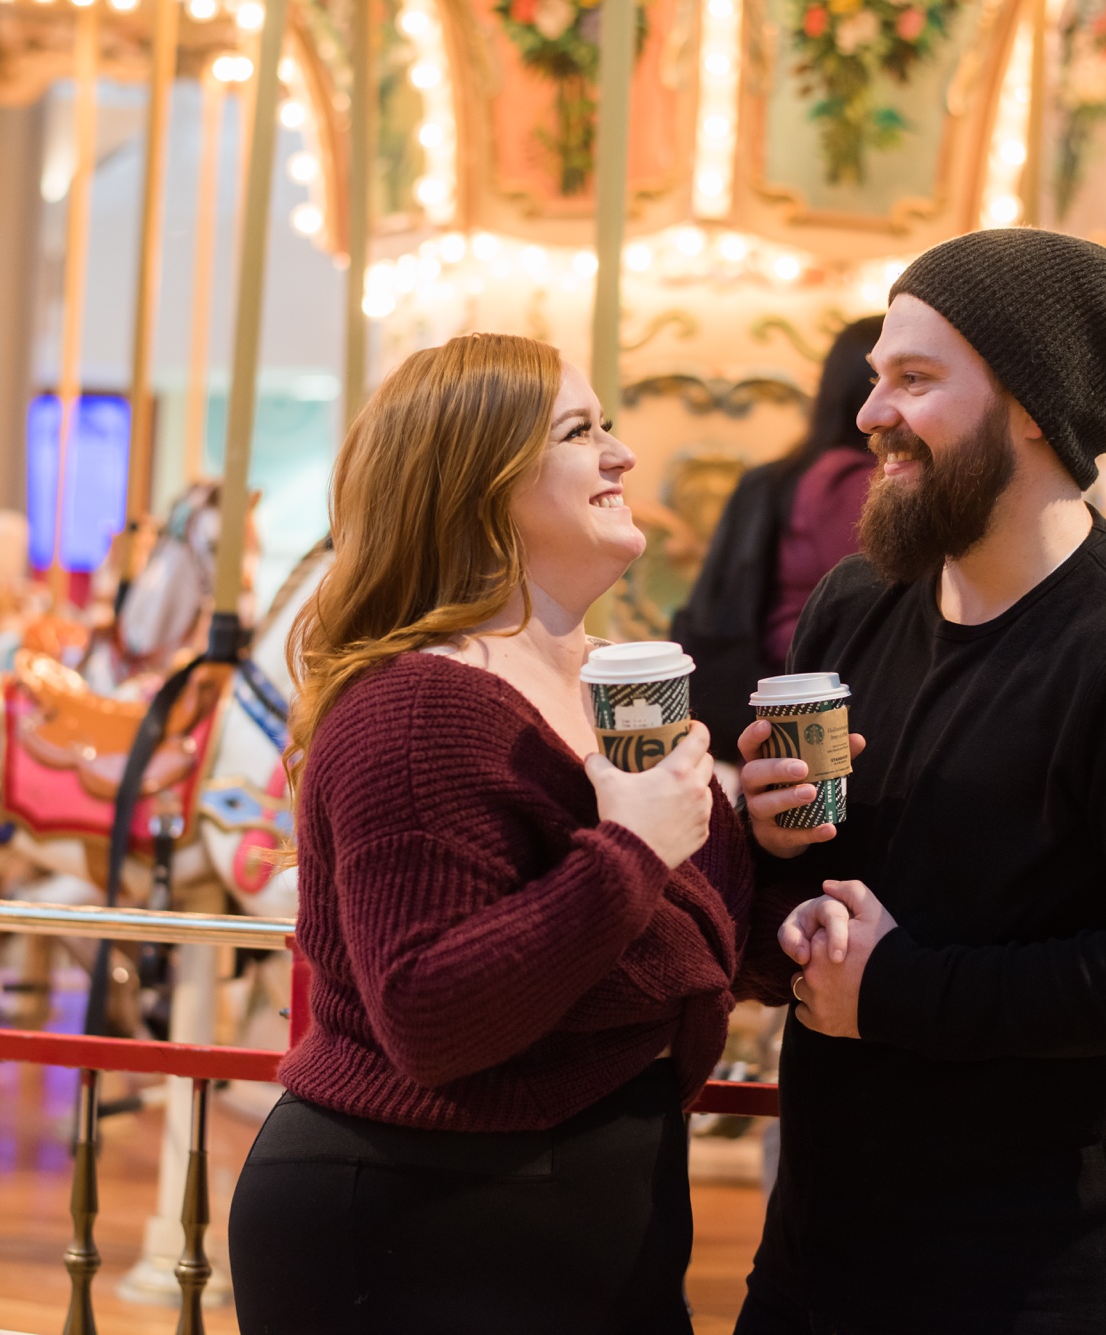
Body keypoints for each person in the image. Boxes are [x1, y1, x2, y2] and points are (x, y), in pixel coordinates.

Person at [730, 229, 1106, 1333]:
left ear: (1033, 403)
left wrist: (898, 990)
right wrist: (771, 845)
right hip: (819, 1256)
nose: (869, 412)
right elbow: (830, 877)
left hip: (1038, 1281)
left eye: (914, 379)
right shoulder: (855, 601)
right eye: (878, 374)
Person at [227, 332, 753, 1335]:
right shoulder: (418, 709)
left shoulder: (613, 686)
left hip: (583, 1198)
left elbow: (694, 945)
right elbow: (428, 1012)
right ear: (481, 484)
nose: (621, 455)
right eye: (579, 431)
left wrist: (767, 839)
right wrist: (632, 851)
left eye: (608, 425)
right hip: (418, 1216)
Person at [674, 318, 882, 759]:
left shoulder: (801, 471)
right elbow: (878, 604)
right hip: (813, 703)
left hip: (779, 687)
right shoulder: (852, 480)